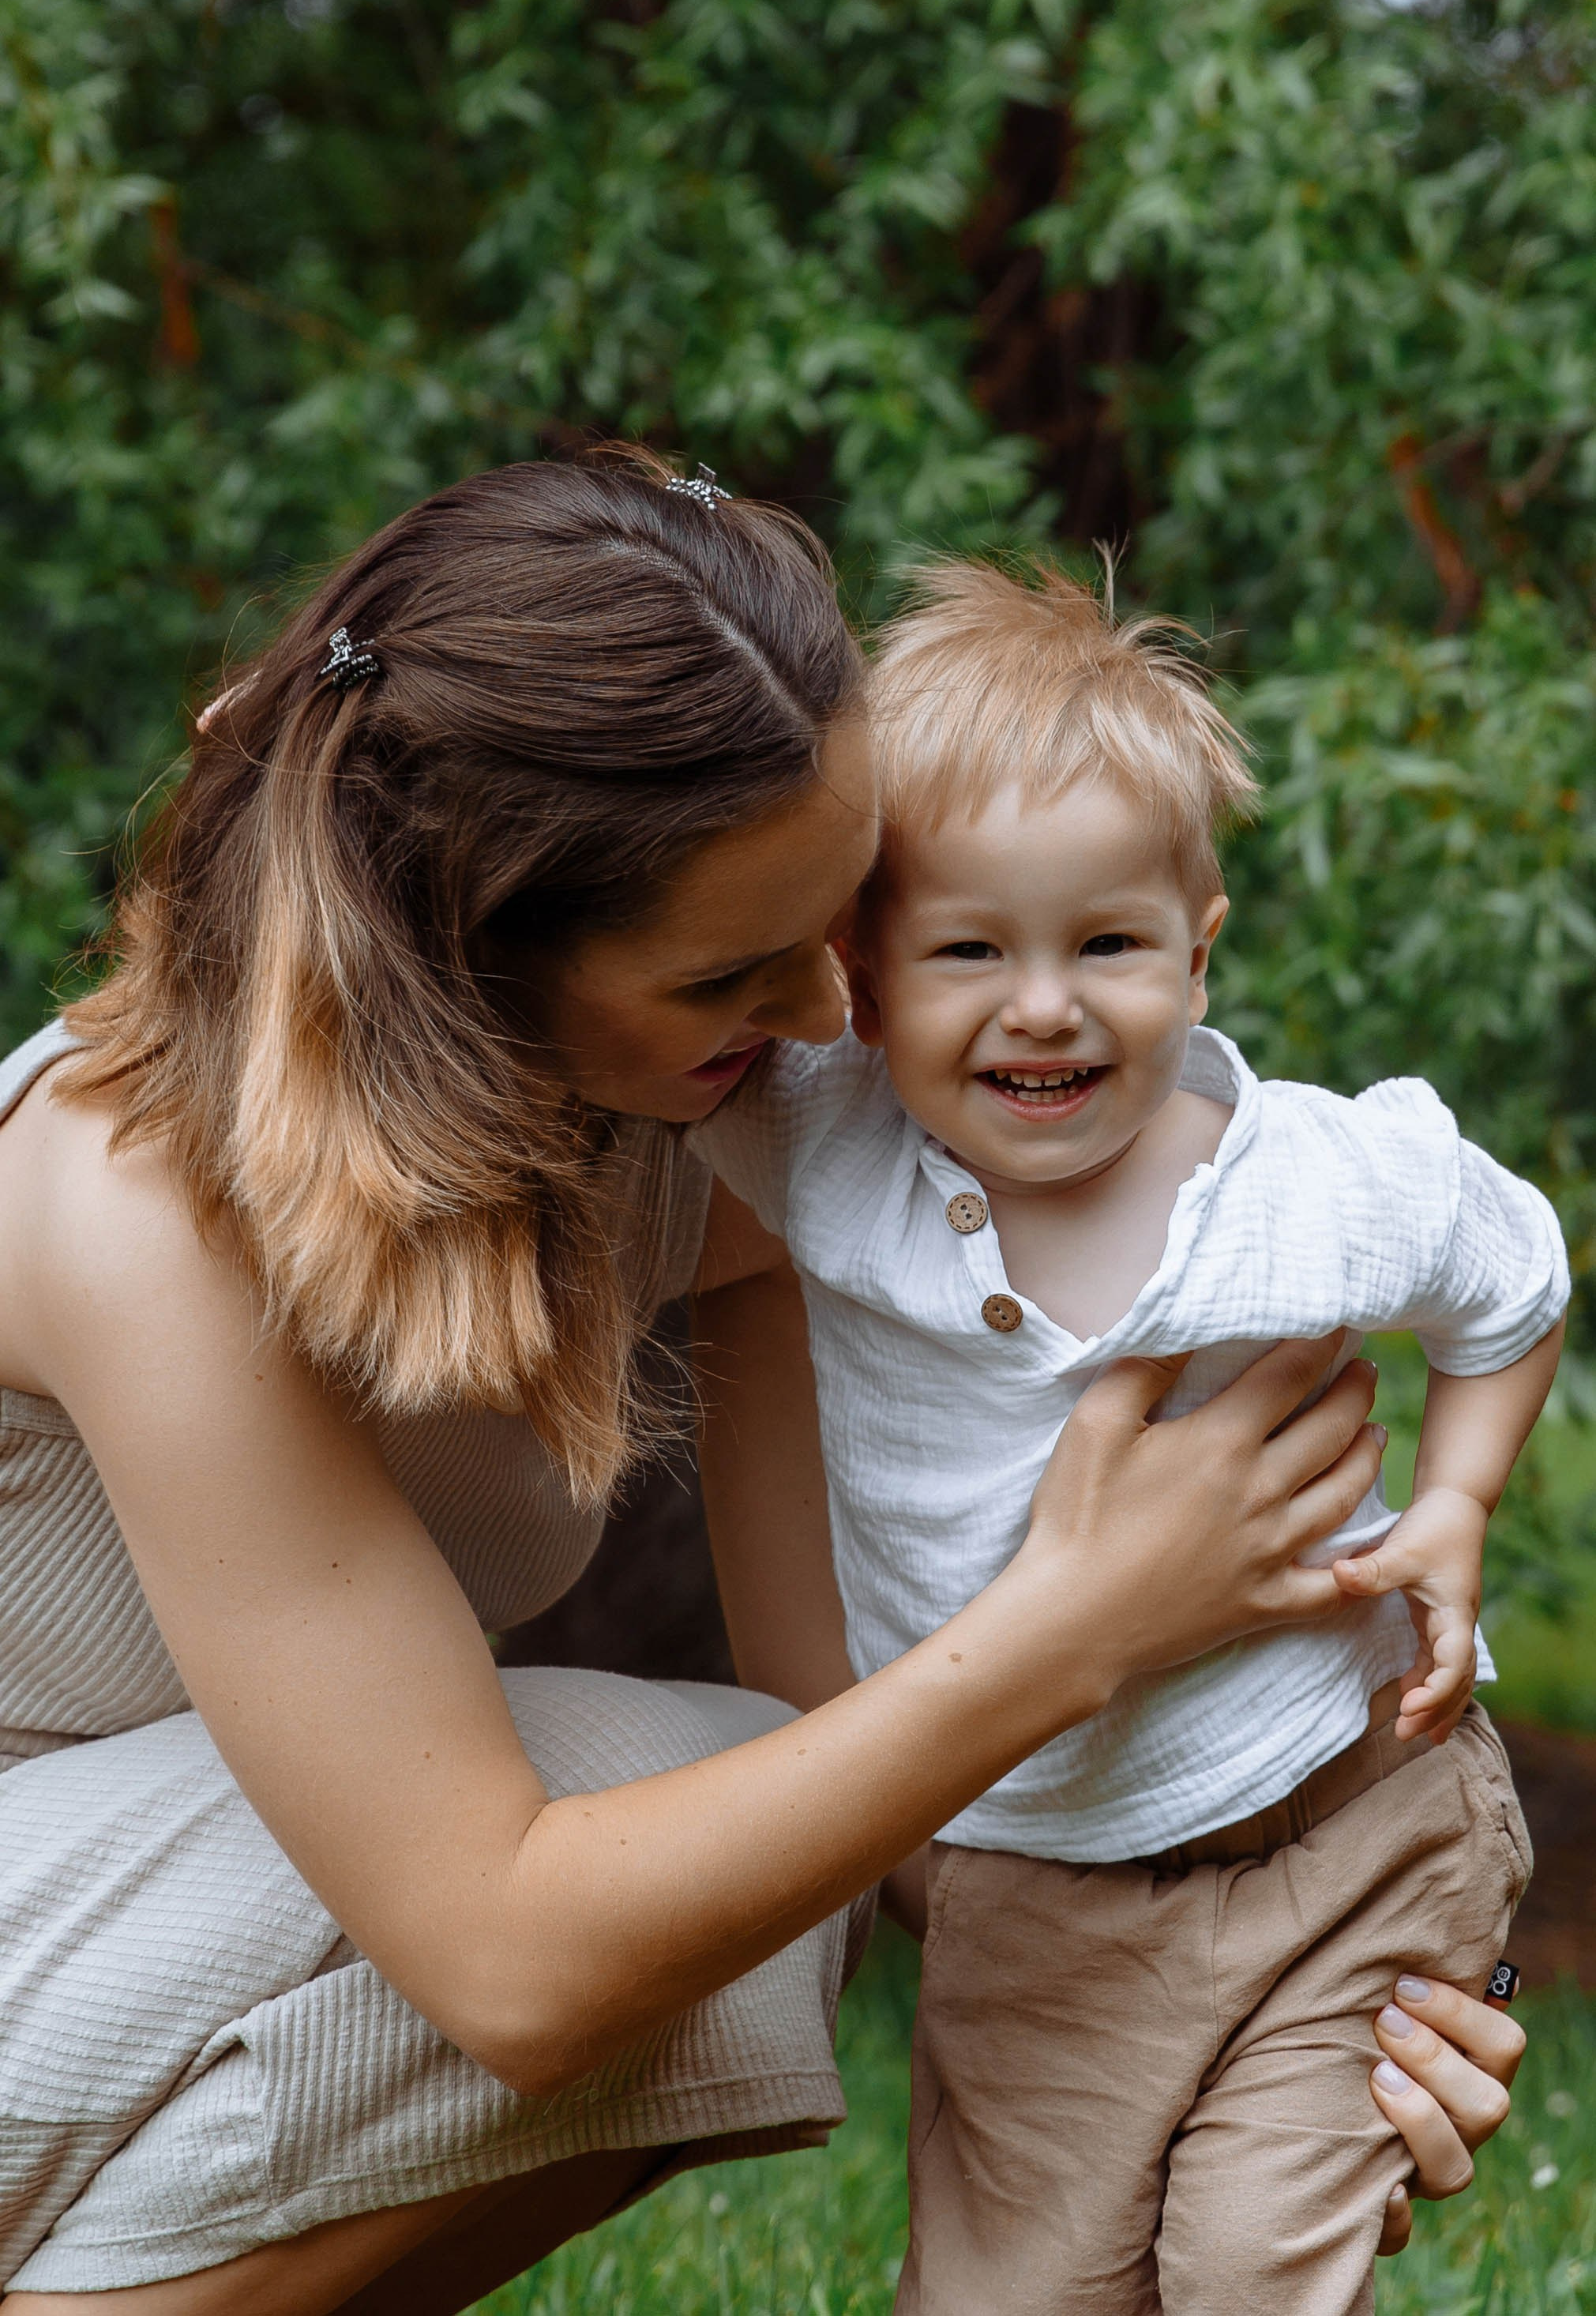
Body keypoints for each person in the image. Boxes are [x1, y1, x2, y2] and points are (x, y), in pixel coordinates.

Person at [0, 460, 1523, 2316]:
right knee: (667, 1847)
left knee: (758, 1854)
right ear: (473, 945)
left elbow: (794, 1375)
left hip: (168, 1904)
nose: (827, 1017)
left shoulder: (663, 1109)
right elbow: (511, 1956)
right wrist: (1076, 1627)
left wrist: (1291, 1982)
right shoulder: (130, 1206)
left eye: (845, 919)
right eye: (736, 967)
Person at [693, 558, 1564, 2316]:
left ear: (1198, 942)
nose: (1043, 1005)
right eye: (968, 949)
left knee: (1249, 2267)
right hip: (1039, 1880)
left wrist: (1461, 1499)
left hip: (1352, 1808)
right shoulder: (824, 1151)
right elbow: (585, 1061)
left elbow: (1513, 1273)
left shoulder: (1308, 1186)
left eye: (1106, 943)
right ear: (855, 979)